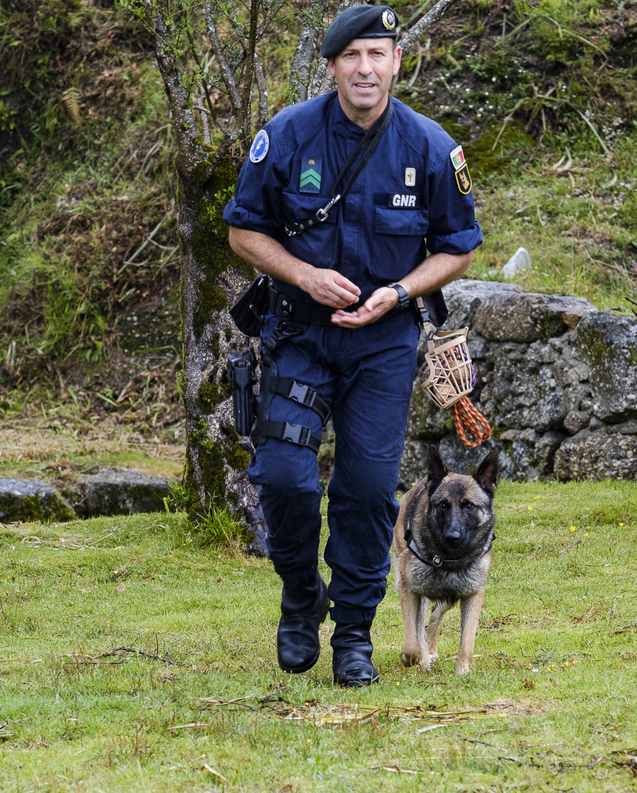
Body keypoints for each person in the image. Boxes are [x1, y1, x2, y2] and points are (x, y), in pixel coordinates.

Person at [223, 4, 482, 687]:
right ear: (333, 65)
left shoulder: (430, 147)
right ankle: (302, 597)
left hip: (383, 347)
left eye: (379, 55)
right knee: (283, 477)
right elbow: (242, 230)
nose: (366, 69)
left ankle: (356, 635)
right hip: (299, 339)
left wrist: (399, 292)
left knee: (367, 492)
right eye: (353, 57)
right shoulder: (286, 136)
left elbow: (459, 245)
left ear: (398, 62)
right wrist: (304, 273)